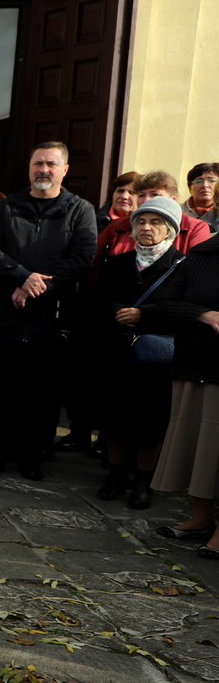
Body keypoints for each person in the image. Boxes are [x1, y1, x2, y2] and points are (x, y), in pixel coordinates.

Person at [0, 142, 97, 479]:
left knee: (41, 390)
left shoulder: (80, 210)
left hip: (50, 314)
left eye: (51, 164)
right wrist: (22, 277)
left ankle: (33, 454)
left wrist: (42, 286)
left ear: (65, 170)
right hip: (5, 310)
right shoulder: (7, 207)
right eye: (37, 163)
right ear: (29, 168)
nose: (44, 169)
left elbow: (82, 259)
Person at [89, 197, 185, 507]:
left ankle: (144, 481)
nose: (146, 227)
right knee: (115, 417)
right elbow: (96, 303)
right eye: (141, 222)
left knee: (151, 423)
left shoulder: (181, 267)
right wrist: (115, 312)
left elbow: (185, 311)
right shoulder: (118, 263)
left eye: (156, 222)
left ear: (170, 229)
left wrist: (146, 315)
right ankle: (116, 474)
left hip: (156, 359)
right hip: (117, 352)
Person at [144, 211, 219, 557]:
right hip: (194, 367)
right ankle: (200, 518)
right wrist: (202, 315)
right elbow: (164, 306)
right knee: (200, 452)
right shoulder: (201, 255)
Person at [186, 163, 219, 228]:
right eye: (199, 181)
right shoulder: (178, 212)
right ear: (190, 188)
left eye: (211, 180)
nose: (205, 185)